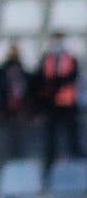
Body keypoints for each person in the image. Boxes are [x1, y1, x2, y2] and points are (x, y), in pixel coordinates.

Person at [0, 43, 37, 169]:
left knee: (22, 151)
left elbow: (35, 94)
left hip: (22, 118)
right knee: (2, 150)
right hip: (3, 117)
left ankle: (19, 179)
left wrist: (33, 112)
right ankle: (0, 179)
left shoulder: (26, 75)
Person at [37, 32, 82, 171]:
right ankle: (49, 160)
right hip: (50, 104)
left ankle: (76, 158)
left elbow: (72, 77)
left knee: (71, 132)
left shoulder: (71, 59)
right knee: (50, 134)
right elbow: (40, 79)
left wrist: (55, 85)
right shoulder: (46, 59)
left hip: (67, 103)